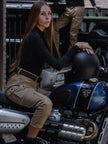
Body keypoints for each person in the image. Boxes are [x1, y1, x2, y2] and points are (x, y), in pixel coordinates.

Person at [5, 1, 94, 144]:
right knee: (45, 104)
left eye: (49, 14)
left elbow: (56, 61)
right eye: (43, 14)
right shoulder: (35, 37)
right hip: (18, 86)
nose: (47, 18)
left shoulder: (41, 36)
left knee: (59, 96)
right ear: (35, 17)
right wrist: (76, 46)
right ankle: (30, 140)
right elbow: (57, 64)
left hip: (31, 85)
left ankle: (53, 135)